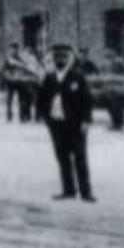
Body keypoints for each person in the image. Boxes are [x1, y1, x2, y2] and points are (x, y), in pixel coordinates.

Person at [36, 43, 95, 202]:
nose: (60, 60)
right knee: (62, 158)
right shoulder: (49, 78)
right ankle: (68, 190)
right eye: (57, 57)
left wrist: (86, 121)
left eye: (63, 57)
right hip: (57, 124)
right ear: (53, 59)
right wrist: (45, 117)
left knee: (80, 158)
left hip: (75, 124)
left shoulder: (78, 78)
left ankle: (86, 192)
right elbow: (41, 99)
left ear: (69, 59)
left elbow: (87, 101)